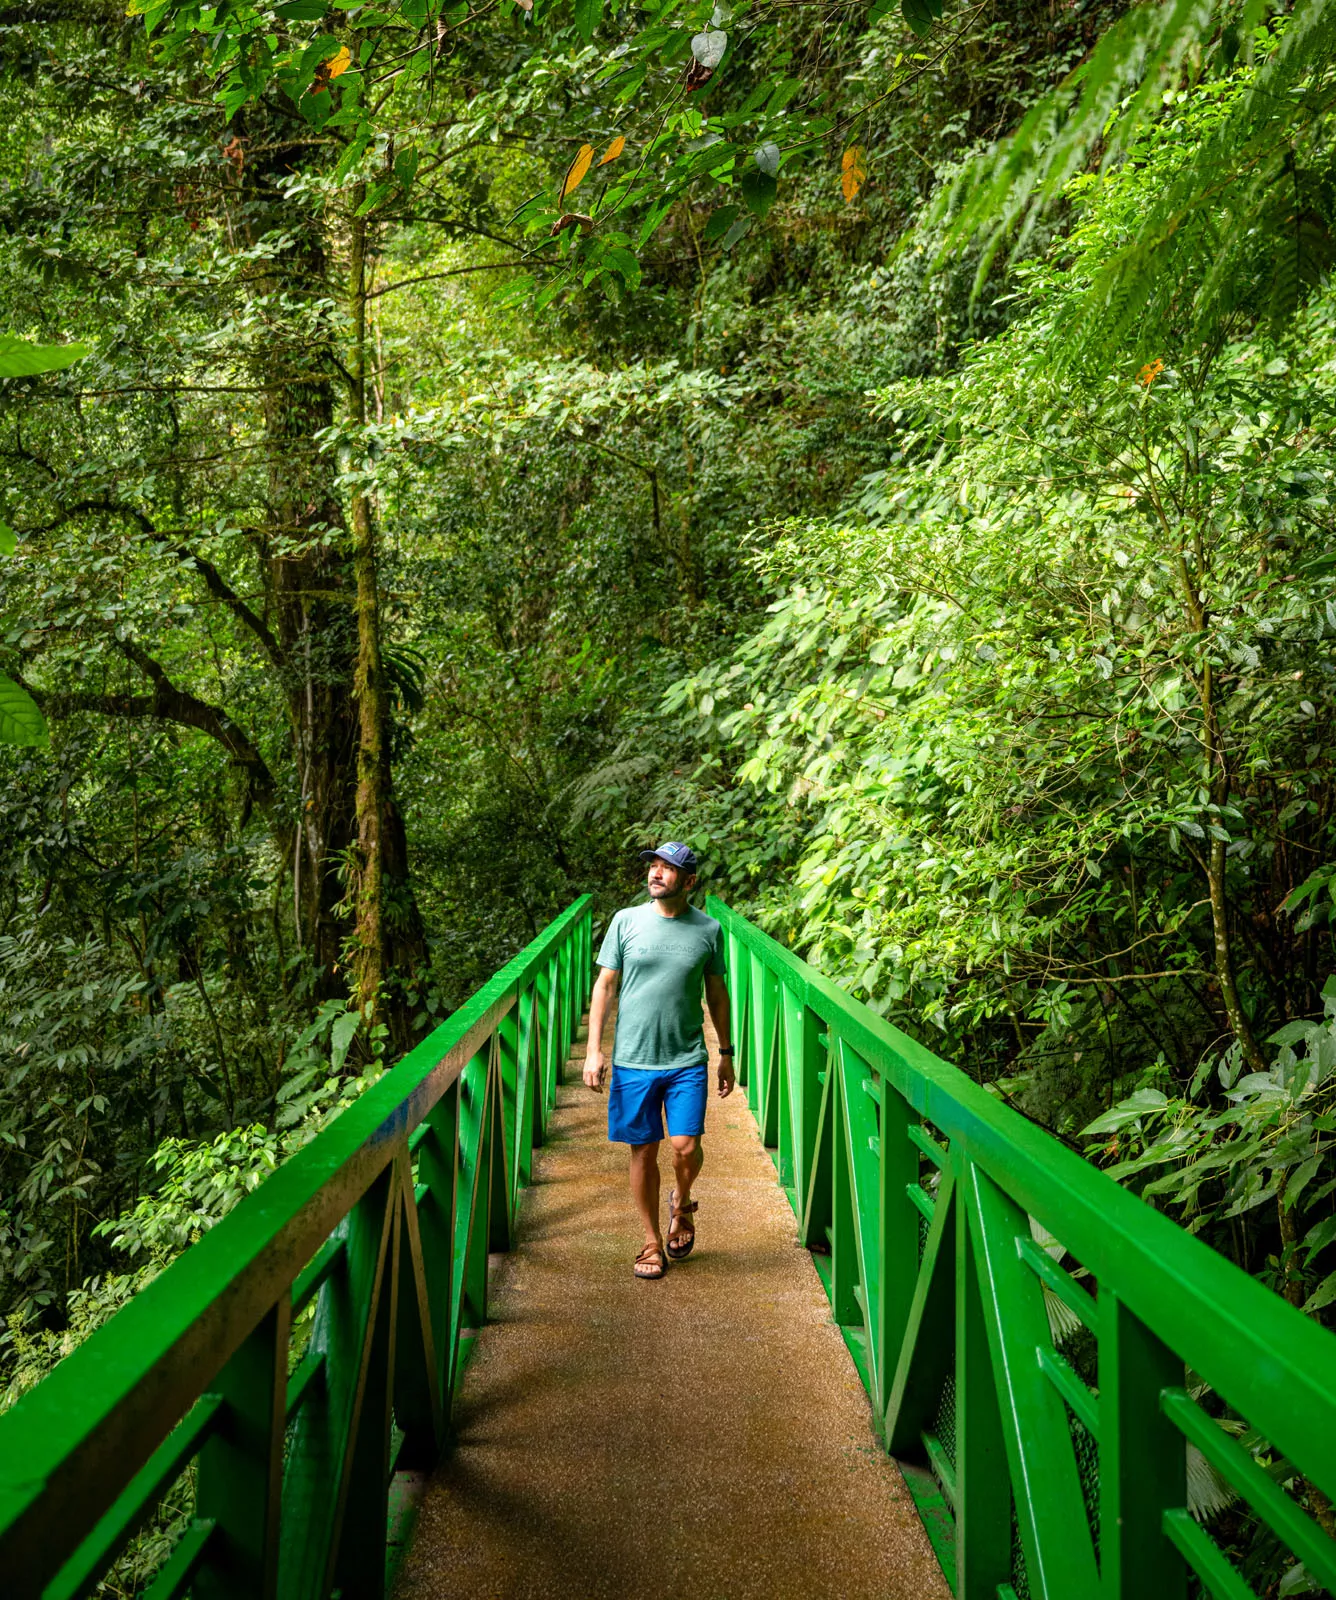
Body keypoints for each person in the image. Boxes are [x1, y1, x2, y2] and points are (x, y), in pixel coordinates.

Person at [583, 842, 734, 1280]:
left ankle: (682, 1200)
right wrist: (594, 1050)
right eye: (654, 865)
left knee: (686, 1146)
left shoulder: (708, 929)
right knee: (643, 1151)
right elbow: (605, 986)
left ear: (689, 882)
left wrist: (725, 1054)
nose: (656, 873)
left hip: (686, 1058)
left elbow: (717, 994)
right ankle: (651, 1240)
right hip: (634, 1059)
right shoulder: (625, 921)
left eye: (668, 869)